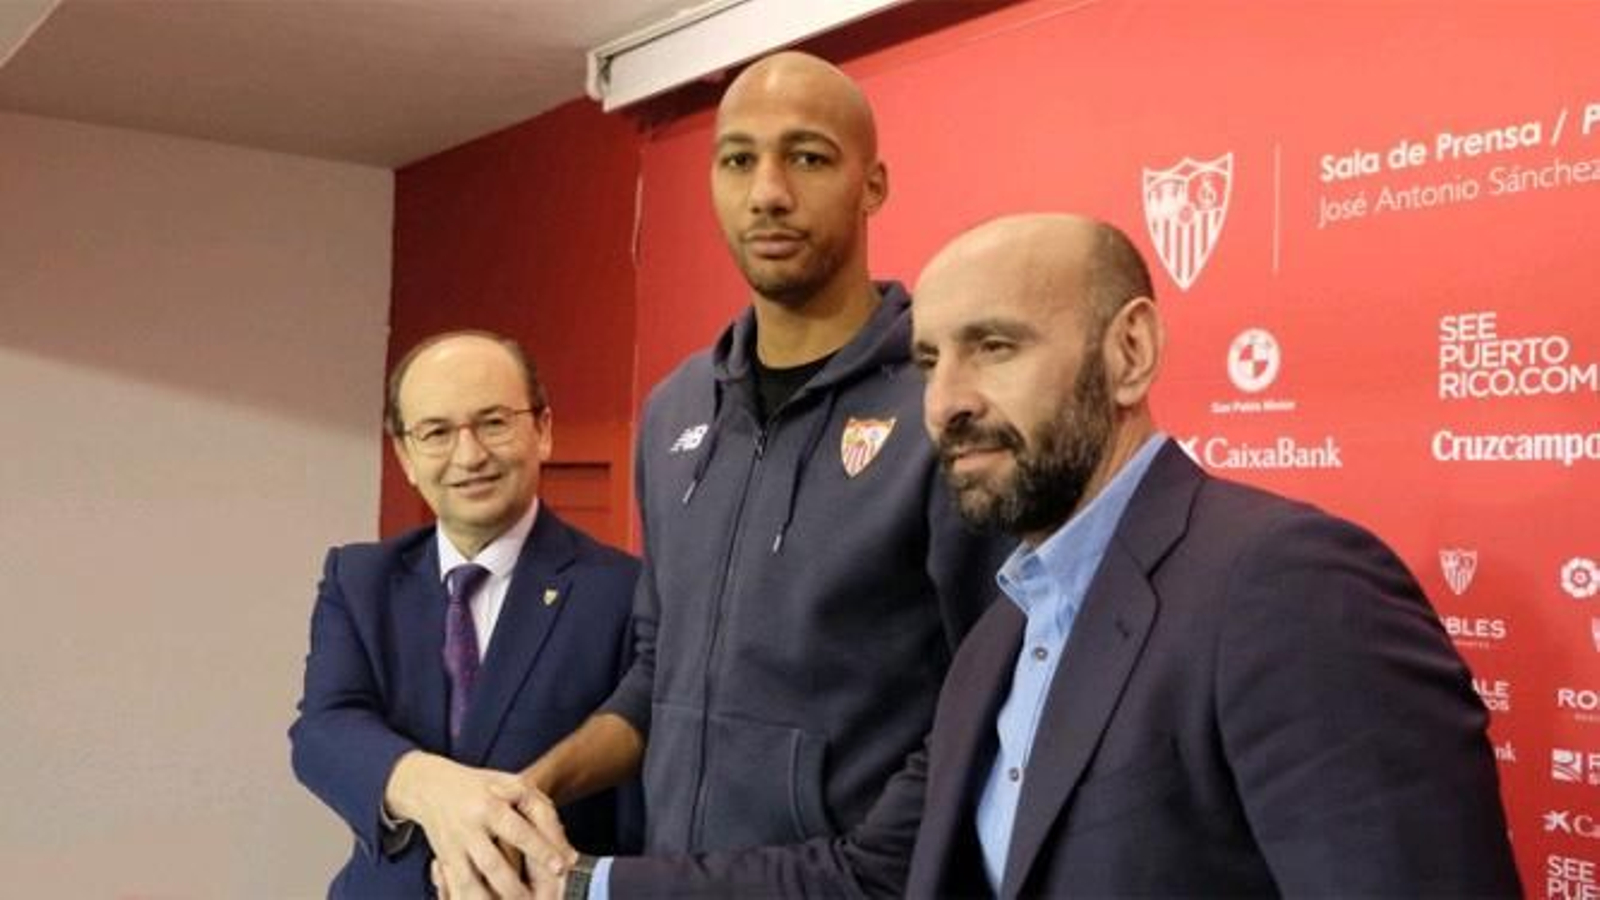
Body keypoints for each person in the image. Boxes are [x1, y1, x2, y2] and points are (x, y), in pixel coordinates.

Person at [540, 214, 1521, 896]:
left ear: (1129, 353)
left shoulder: (1287, 587)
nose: (946, 401)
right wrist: (574, 883)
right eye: (929, 360)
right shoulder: (1001, 635)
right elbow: (863, 874)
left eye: (995, 347)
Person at [484, 50, 1008, 897]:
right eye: (738, 159)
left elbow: (984, 704)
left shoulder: (946, 407)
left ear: (871, 185)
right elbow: (660, 669)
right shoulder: (676, 408)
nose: (768, 191)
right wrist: (540, 785)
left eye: (807, 156)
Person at [290, 330, 641, 899]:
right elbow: (323, 730)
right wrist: (434, 787)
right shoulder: (359, 580)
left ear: (543, 430)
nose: (470, 455)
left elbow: (637, 806)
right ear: (405, 455)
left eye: (494, 422)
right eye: (436, 433)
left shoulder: (624, 592)